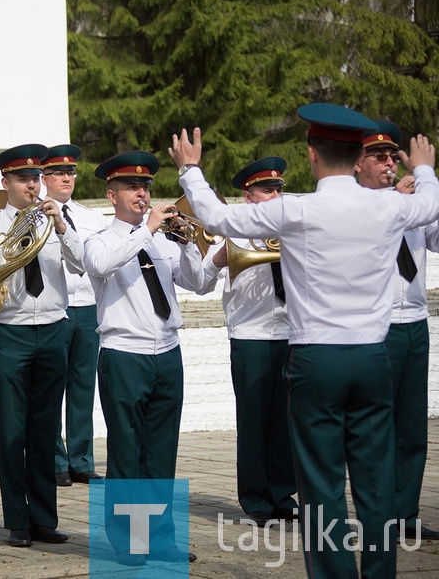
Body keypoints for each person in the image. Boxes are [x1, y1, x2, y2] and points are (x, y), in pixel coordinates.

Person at [171, 103, 439, 578]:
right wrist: (424, 168)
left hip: (315, 358)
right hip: (373, 354)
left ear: (312, 154)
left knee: (321, 484)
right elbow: (430, 203)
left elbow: (215, 216)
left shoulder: (296, 208)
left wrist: (190, 169)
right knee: (376, 482)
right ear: (359, 156)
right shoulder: (389, 204)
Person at [81, 151, 203, 565]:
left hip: (167, 352)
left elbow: (198, 283)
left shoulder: (162, 239)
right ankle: (131, 540)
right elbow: (100, 264)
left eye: (147, 186)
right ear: (111, 195)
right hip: (124, 354)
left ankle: (161, 537)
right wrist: (145, 230)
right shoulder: (101, 239)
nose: (143, 193)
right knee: (128, 450)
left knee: (161, 451)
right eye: (133, 187)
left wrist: (192, 246)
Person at [0, 144, 81, 548]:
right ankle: (17, 520)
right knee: (14, 429)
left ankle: (44, 519)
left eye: (36, 178)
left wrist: (63, 227)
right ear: (6, 183)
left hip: (52, 328)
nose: (32, 185)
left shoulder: (57, 221)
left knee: (46, 427)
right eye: (23, 179)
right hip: (11, 332)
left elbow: (83, 264)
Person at [196, 157, 297, 526]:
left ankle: (283, 495)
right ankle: (254, 498)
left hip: (290, 332)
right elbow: (202, 281)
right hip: (250, 334)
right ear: (248, 194)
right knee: (253, 420)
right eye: (267, 190)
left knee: (284, 421)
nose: (275, 195)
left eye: (278, 189)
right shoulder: (231, 228)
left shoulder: (291, 226)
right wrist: (221, 258)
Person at [355, 119, 439, 541]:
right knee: (375, 428)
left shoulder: (414, 202)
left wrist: (429, 181)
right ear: (357, 164)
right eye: (378, 157)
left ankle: (406, 513)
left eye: (393, 156)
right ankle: (378, 514)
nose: (388, 164)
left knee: (411, 426)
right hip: (377, 326)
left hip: (414, 323)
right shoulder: (352, 204)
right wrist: (399, 196)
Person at [42, 144, 105, 486]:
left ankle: (81, 460)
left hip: (88, 306)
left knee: (83, 386)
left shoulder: (92, 217)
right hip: (55, 307)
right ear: (44, 178)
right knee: (53, 386)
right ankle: (55, 460)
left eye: (71, 173)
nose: (66, 178)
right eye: (59, 173)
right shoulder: (36, 216)